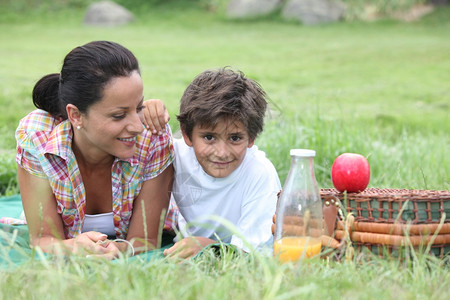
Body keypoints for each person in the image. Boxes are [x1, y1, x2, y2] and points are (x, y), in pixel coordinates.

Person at [15, 41, 174, 259]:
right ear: (76, 116)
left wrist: (119, 249)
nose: (138, 127)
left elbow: (145, 240)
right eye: (118, 115)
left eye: (139, 108)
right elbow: (43, 239)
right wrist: (73, 248)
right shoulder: (39, 137)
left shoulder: (153, 138)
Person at [142, 68, 281, 259]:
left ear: (251, 138)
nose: (221, 153)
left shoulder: (260, 173)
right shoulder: (173, 155)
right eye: (209, 137)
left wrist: (210, 247)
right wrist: (146, 110)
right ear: (186, 134)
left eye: (234, 138)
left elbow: (252, 255)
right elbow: (135, 141)